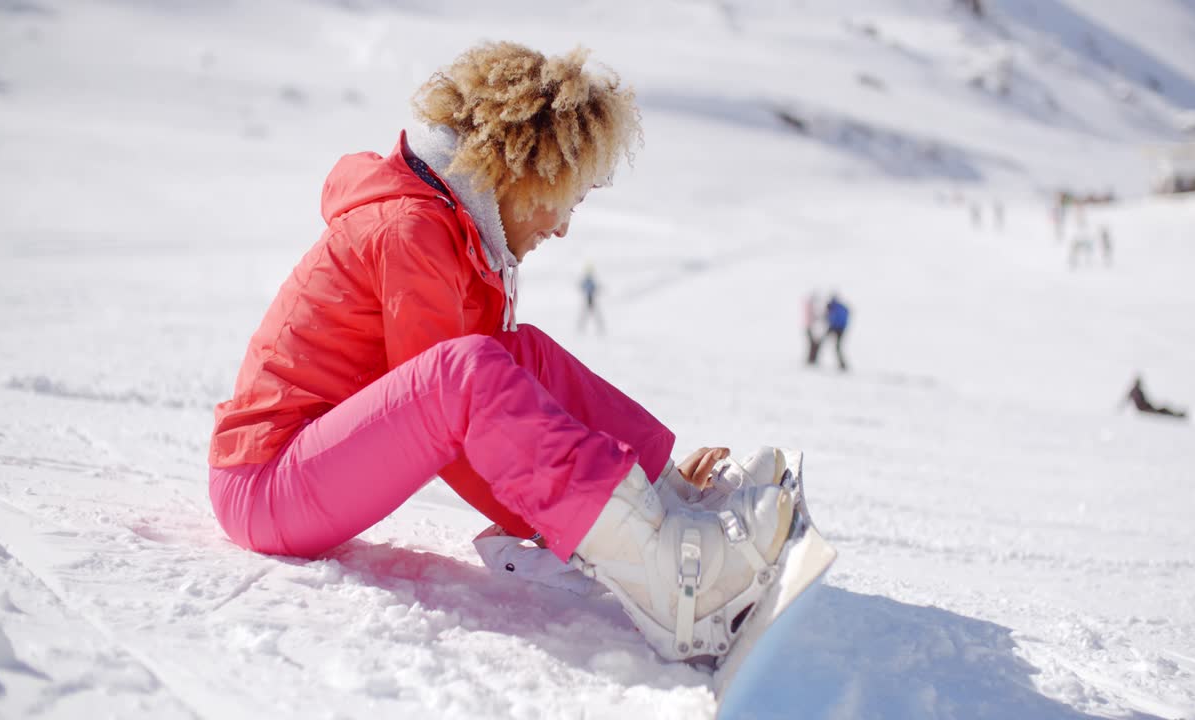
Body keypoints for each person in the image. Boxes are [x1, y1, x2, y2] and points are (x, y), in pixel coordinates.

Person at [207, 42, 795, 664]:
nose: (564, 225)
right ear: (519, 170)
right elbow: (452, 424)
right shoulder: (411, 231)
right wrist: (577, 533)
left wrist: (645, 490)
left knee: (520, 353)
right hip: (266, 485)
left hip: (306, 469)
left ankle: (674, 501)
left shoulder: (446, 227)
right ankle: (661, 570)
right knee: (468, 371)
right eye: (567, 196)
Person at [1120, 375, 1187, 419]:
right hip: (1145, 409)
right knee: (1163, 411)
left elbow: (1126, 400)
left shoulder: (1135, 391)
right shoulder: (1135, 391)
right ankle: (1178, 416)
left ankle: (1178, 415)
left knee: (1163, 409)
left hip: (1147, 407)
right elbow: (1126, 401)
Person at [823, 294, 850, 370]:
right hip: (841, 328)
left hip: (835, 327)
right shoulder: (842, 306)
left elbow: (829, 317)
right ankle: (842, 364)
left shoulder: (833, 307)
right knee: (837, 347)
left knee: (835, 346)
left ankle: (843, 365)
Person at [577, 263, 604, 334]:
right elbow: (587, 287)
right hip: (589, 298)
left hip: (590, 298)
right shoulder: (589, 281)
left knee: (589, 314)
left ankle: (581, 327)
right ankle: (581, 327)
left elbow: (584, 287)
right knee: (589, 313)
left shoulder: (588, 280)